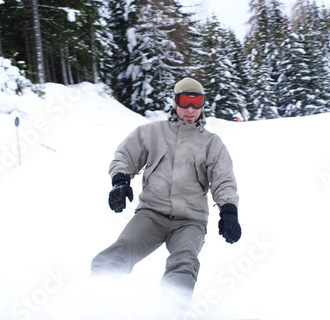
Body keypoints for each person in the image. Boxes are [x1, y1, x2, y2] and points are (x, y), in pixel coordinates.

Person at [91, 77, 241, 304]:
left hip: (190, 221)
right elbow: (125, 157)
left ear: (203, 105)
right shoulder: (151, 133)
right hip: (151, 214)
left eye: (196, 102)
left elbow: (224, 180)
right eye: (184, 101)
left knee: (185, 260)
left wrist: (229, 211)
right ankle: (92, 298)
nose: (190, 109)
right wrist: (120, 182)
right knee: (122, 249)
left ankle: (170, 312)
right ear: (175, 102)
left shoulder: (212, 144)